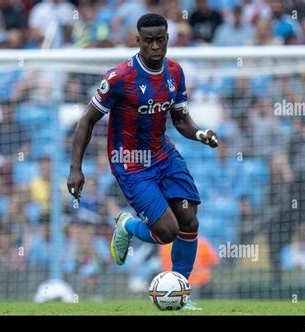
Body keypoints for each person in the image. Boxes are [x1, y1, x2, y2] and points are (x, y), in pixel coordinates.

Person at [67, 13, 218, 310]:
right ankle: (126, 226)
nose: (155, 47)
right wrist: (75, 169)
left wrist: (200, 133)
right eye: (148, 41)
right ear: (138, 41)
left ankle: (181, 295)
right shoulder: (119, 78)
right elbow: (86, 120)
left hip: (164, 154)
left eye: (160, 40)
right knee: (167, 232)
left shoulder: (175, 72)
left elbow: (181, 119)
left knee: (189, 220)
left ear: (167, 39)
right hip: (131, 163)